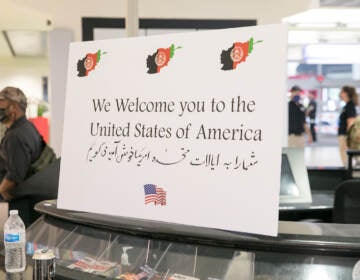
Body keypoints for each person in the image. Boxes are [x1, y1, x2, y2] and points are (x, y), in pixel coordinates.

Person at [0, 87, 43, 200]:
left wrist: (3, 191)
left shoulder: (15, 136)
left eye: (1, 103)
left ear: (14, 107)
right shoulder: (27, 126)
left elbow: (15, 174)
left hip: (20, 200)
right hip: (32, 195)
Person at [338, 85, 358, 166]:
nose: (340, 93)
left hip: (345, 135)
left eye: (342, 91)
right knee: (347, 153)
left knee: (346, 153)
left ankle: (347, 172)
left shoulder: (350, 105)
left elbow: (351, 122)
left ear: (346, 93)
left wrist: (349, 138)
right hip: (343, 134)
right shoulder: (347, 106)